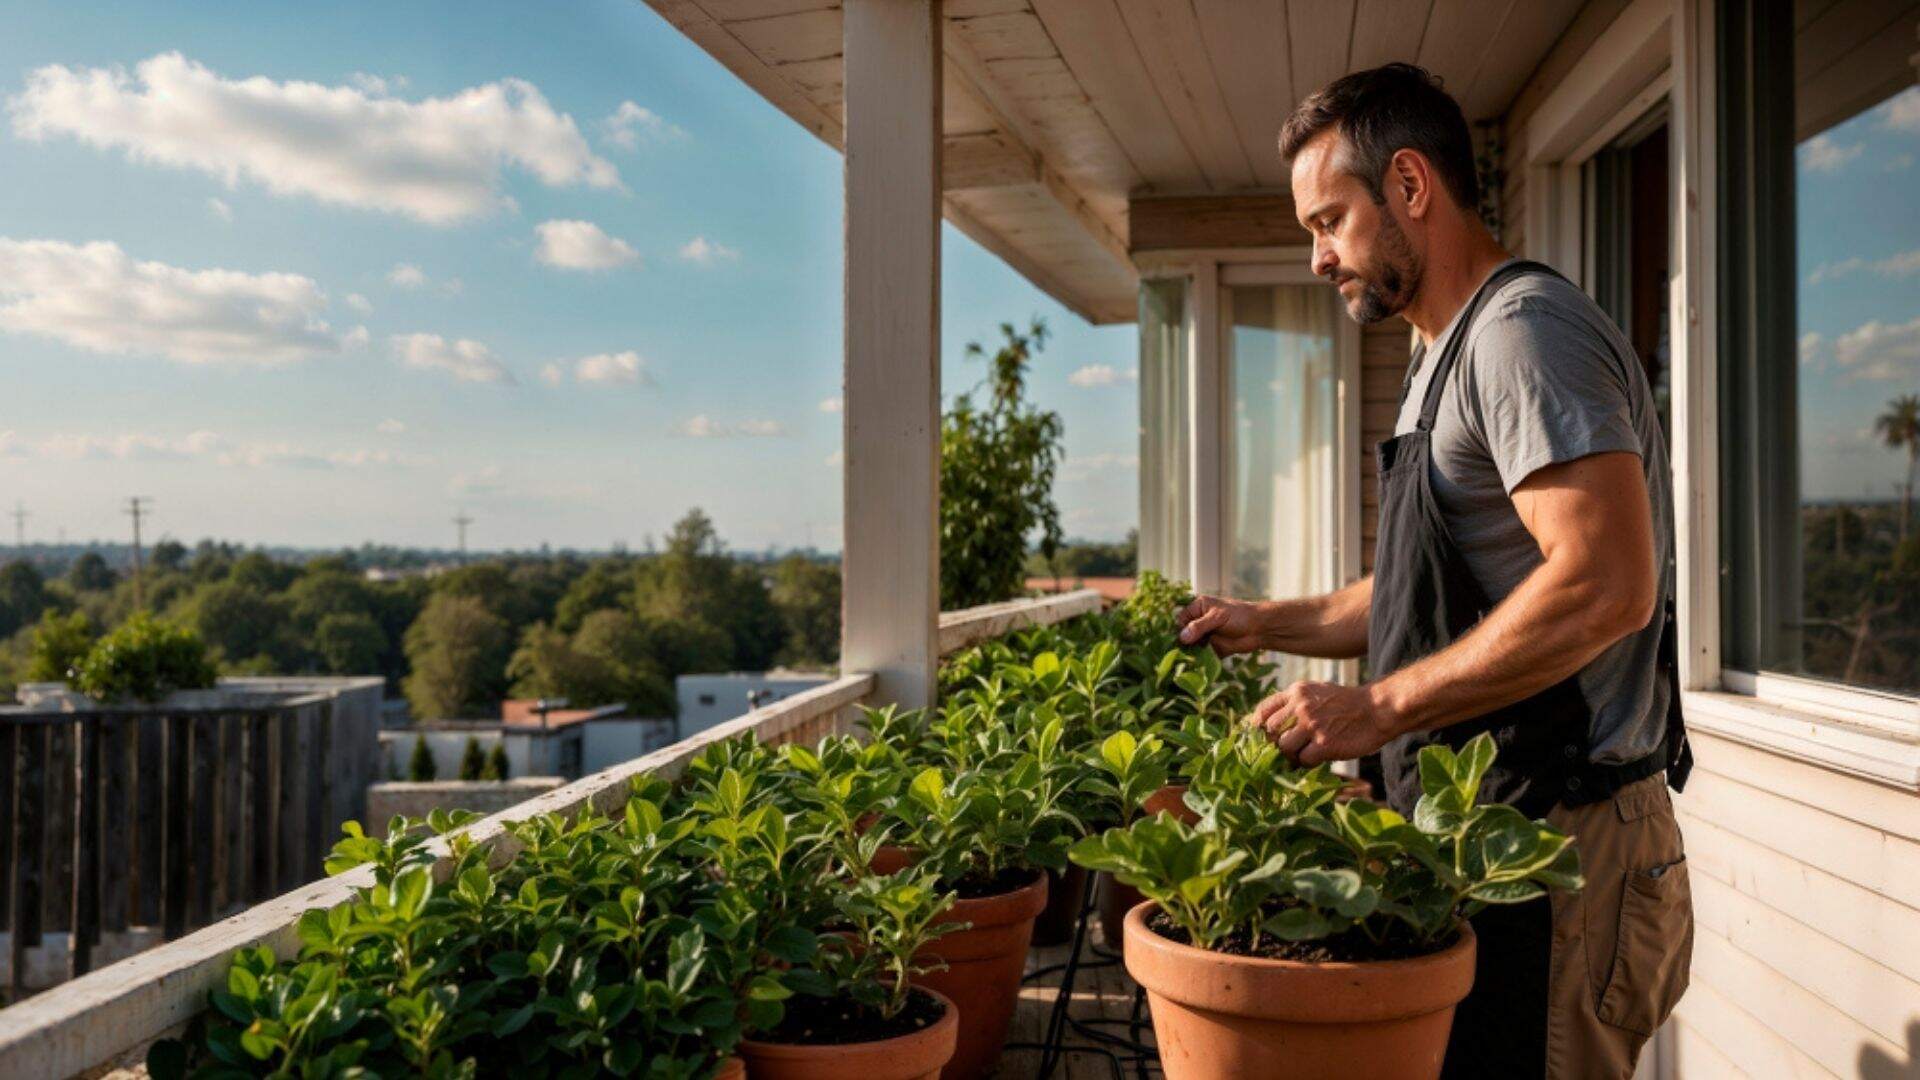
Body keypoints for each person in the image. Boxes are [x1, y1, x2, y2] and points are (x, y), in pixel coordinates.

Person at [1175, 64, 1692, 1079]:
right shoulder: (1440, 356)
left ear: (1409, 185)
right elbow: (1425, 593)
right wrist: (1262, 622)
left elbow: (1605, 584)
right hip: (1490, 838)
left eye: (1329, 221)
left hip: (1566, 846)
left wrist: (1377, 708)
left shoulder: (1523, 336)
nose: (1318, 257)